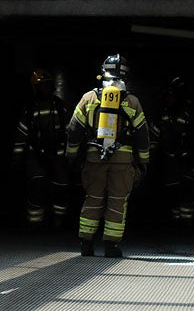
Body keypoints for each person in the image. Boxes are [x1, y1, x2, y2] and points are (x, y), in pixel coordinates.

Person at [66, 54, 150, 258]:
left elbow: (74, 129)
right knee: (117, 201)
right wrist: (144, 162)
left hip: (95, 158)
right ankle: (111, 247)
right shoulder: (132, 101)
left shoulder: (89, 98)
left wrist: (71, 156)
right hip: (123, 161)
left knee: (93, 198)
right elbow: (142, 134)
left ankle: (86, 243)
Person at [148, 76, 194, 227]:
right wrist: (151, 161)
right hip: (168, 161)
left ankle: (187, 224)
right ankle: (174, 223)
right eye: (167, 96)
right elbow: (153, 139)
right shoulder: (162, 115)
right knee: (171, 193)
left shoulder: (191, 114)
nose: (168, 99)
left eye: (171, 96)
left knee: (187, 193)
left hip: (188, 160)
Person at [11, 69, 70, 229]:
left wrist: (72, 155)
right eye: (42, 85)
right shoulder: (29, 109)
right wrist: (16, 159)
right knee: (37, 187)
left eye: (48, 85)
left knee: (61, 188)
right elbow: (21, 135)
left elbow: (70, 132)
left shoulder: (60, 106)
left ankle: (59, 221)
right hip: (35, 156)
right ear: (35, 88)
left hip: (58, 155)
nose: (45, 88)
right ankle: (35, 224)